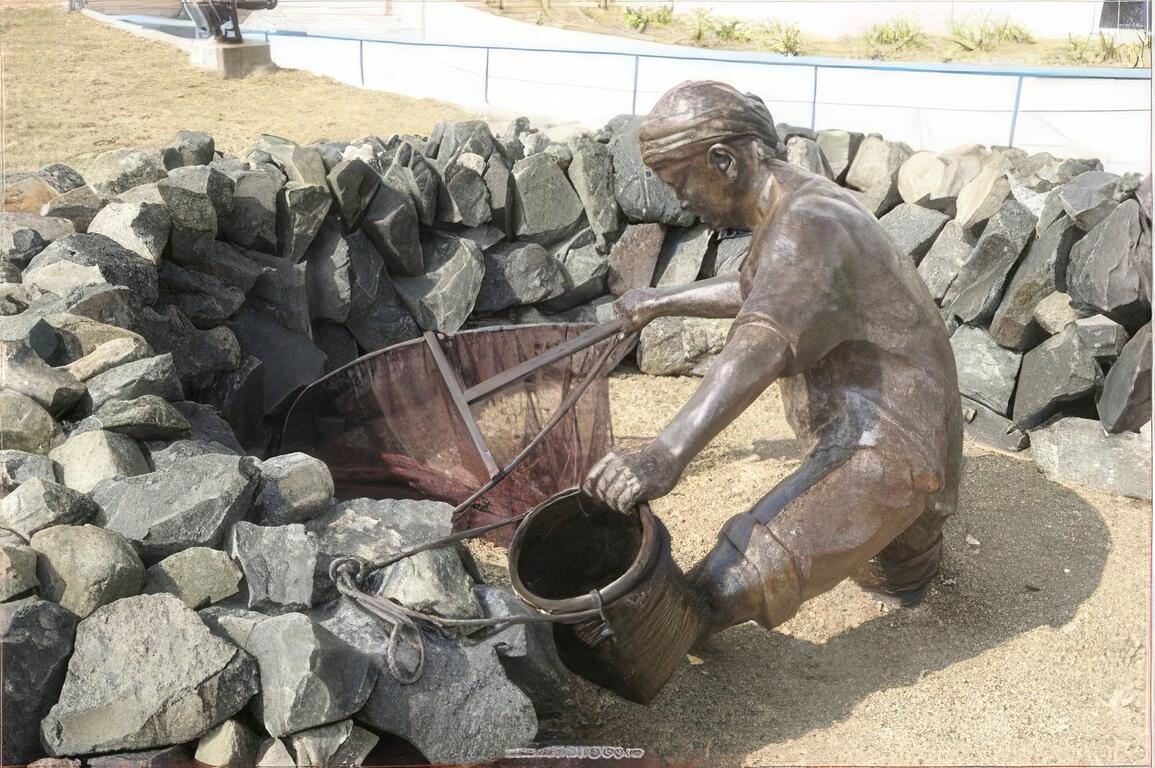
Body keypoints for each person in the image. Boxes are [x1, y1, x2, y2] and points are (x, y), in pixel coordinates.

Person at [582, 80, 963, 640]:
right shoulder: (801, 205)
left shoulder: (807, 225)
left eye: (678, 182)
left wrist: (666, 452)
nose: (680, 201)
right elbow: (760, 291)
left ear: (723, 161)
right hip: (895, 435)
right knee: (892, 564)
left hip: (889, 448)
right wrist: (658, 301)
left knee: (707, 595)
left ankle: (902, 556)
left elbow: (762, 340)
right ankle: (904, 560)